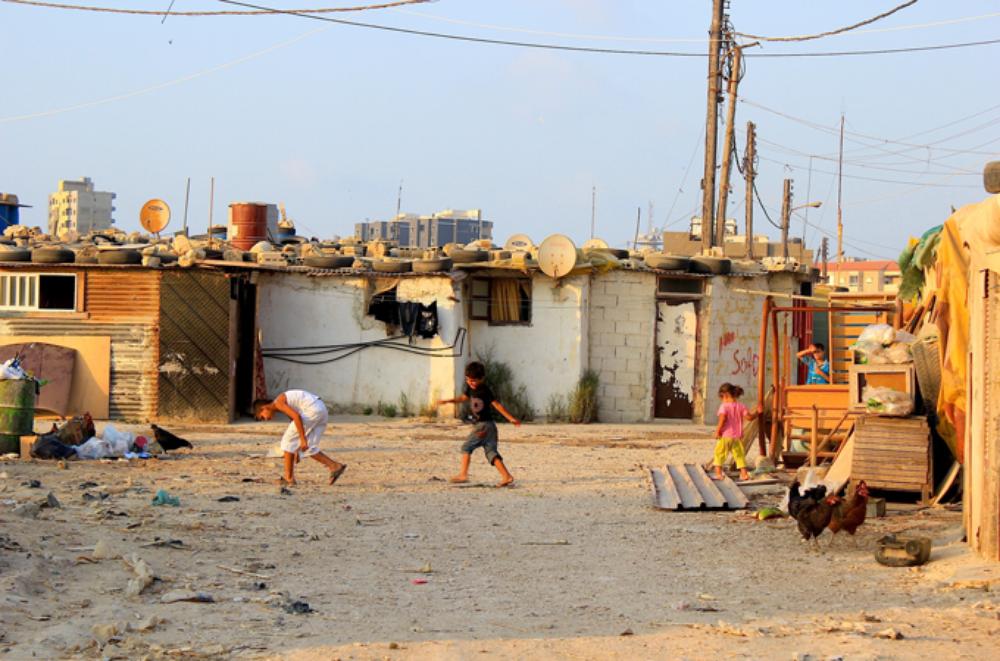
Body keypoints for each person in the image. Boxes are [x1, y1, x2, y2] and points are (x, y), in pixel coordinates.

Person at [436, 361, 519, 487]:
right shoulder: (470, 389)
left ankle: (463, 474)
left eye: (473, 380)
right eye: (468, 379)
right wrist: (449, 401)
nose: (470, 382)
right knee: (491, 452)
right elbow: (463, 398)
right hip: (490, 427)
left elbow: (496, 404)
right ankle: (506, 476)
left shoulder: (484, 390)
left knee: (466, 447)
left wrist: (511, 418)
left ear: (481, 378)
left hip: (483, 426)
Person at [254, 390, 347, 487]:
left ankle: (289, 479)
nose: (266, 420)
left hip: (312, 410)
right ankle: (335, 466)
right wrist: (296, 448)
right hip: (321, 409)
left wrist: (302, 439)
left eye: (262, 417)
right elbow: (293, 421)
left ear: (263, 408)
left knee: (287, 442)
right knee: (308, 447)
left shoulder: (278, 403)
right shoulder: (280, 404)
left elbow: (297, 417)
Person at [712, 383, 761, 482]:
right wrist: (757, 412)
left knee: (719, 454)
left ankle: (718, 474)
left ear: (725, 395)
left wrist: (717, 431)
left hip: (725, 436)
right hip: (737, 437)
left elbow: (722, 419)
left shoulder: (724, 406)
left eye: (721, 398)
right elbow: (749, 418)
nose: (722, 400)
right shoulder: (741, 406)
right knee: (739, 456)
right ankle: (744, 474)